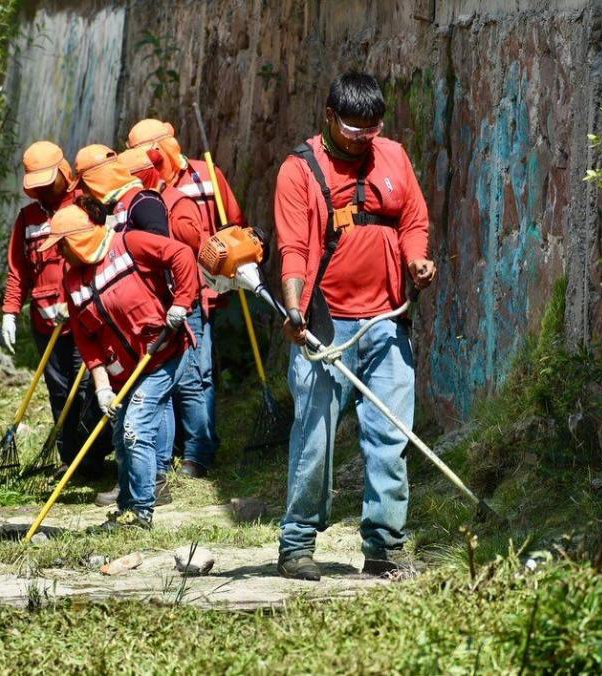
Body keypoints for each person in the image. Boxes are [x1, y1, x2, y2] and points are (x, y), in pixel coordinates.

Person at [272, 72, 437, 580]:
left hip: (388, 321)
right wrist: (295, 308)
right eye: (352, 128)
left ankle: (384, 546)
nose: (364, 137)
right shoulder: (299, 172)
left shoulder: (393, 155)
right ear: (328, 117)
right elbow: (294, 247)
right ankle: (297, 544)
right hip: (326, 325)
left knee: (389, 437)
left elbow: (413, 220)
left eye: (373, 127)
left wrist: (417, 262)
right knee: (315, 438)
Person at [38, 162, 199, 527]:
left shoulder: (128, 244)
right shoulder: (73, 280)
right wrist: (102, 388)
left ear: (77, 239)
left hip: (162, 355)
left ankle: (141, 512)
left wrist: (181, 304)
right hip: (123, 371)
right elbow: (86, 337)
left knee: (135, 429)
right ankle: (127, 508)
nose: (59, 255)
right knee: (122, 437)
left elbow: (182, 255)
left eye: (61, 246)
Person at [125, 119, 249, 477]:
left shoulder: (205, 176)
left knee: (198, 371)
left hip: (201, 286)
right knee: (175, 369)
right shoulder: (146, 191)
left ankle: (199, 449)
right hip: (163, 292)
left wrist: (226, 260)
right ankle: (178, 447)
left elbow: (233, 222)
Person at [117, 145, 212, 485]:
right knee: (166, 389)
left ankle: (195, 456)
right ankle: (161, 462)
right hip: (165, 304)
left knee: (192, 381)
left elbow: (188, 248)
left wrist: (184, 300)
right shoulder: (140, 204)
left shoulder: (172, 202)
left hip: (180, 303)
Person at [1, 141, 93, 476]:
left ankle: (91, 457)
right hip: (44, 320)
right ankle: (69, 459)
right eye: (35, 183)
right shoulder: (27, 218)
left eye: (47, 181)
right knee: (59, 390)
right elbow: (18, 270)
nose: (41, 189)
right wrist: (10, 311)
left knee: (88, 388)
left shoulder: (86, 204)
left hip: (84, 318)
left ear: (63, 173)